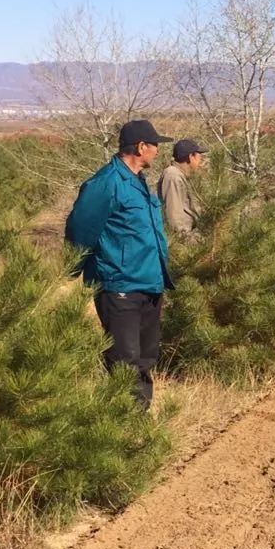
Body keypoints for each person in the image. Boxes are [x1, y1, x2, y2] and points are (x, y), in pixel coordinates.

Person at [65, 118, 174, 410]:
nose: (157, 152)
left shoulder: (137, 181)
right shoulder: (106, 183)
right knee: (124, 360)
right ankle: (123, 425)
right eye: (154, 146)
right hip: (120, 286)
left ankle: (139, 424)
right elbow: (80, 228)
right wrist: (75, 268)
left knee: (145, 357)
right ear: (141, 147)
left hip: (149, 284)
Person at [157, 137, 206, 236]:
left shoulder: (181, 175)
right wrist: (187, 240)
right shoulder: (173, 176)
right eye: (199, 156)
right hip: (184, 240)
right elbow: (174, 216)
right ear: (191, 157)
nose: (200, 161)